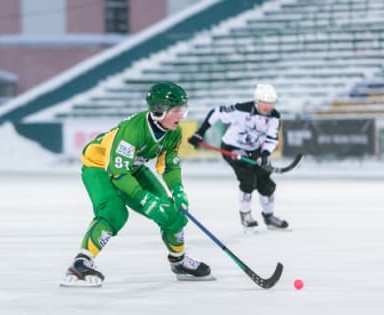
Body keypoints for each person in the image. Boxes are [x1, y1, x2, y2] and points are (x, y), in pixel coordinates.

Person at [61, 81, 212, 287]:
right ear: (160, 111)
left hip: (132, 167)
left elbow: (168, 165)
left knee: (172, 212)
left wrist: (178, 190)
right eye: (176, 110)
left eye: (183, 110)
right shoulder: (132, 131)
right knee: (114, 212)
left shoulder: (174, 133)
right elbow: (118, 172)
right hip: (99, 166)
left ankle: (179, 261)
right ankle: (81, 262)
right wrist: (144, 197)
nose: (181, 116)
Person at [188, 83, 289, 231]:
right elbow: (216, 112)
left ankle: (269, 217)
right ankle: (245, 215)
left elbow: (272, 139)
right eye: (264, 102)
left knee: (265, 182)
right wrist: (200, 132)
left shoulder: (274, 117)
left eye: (271, 103)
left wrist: (265, 154)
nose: (267, 107)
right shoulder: (241, 110)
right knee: (248, 180)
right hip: (232, 147)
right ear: (256, 100)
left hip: (254, 150)